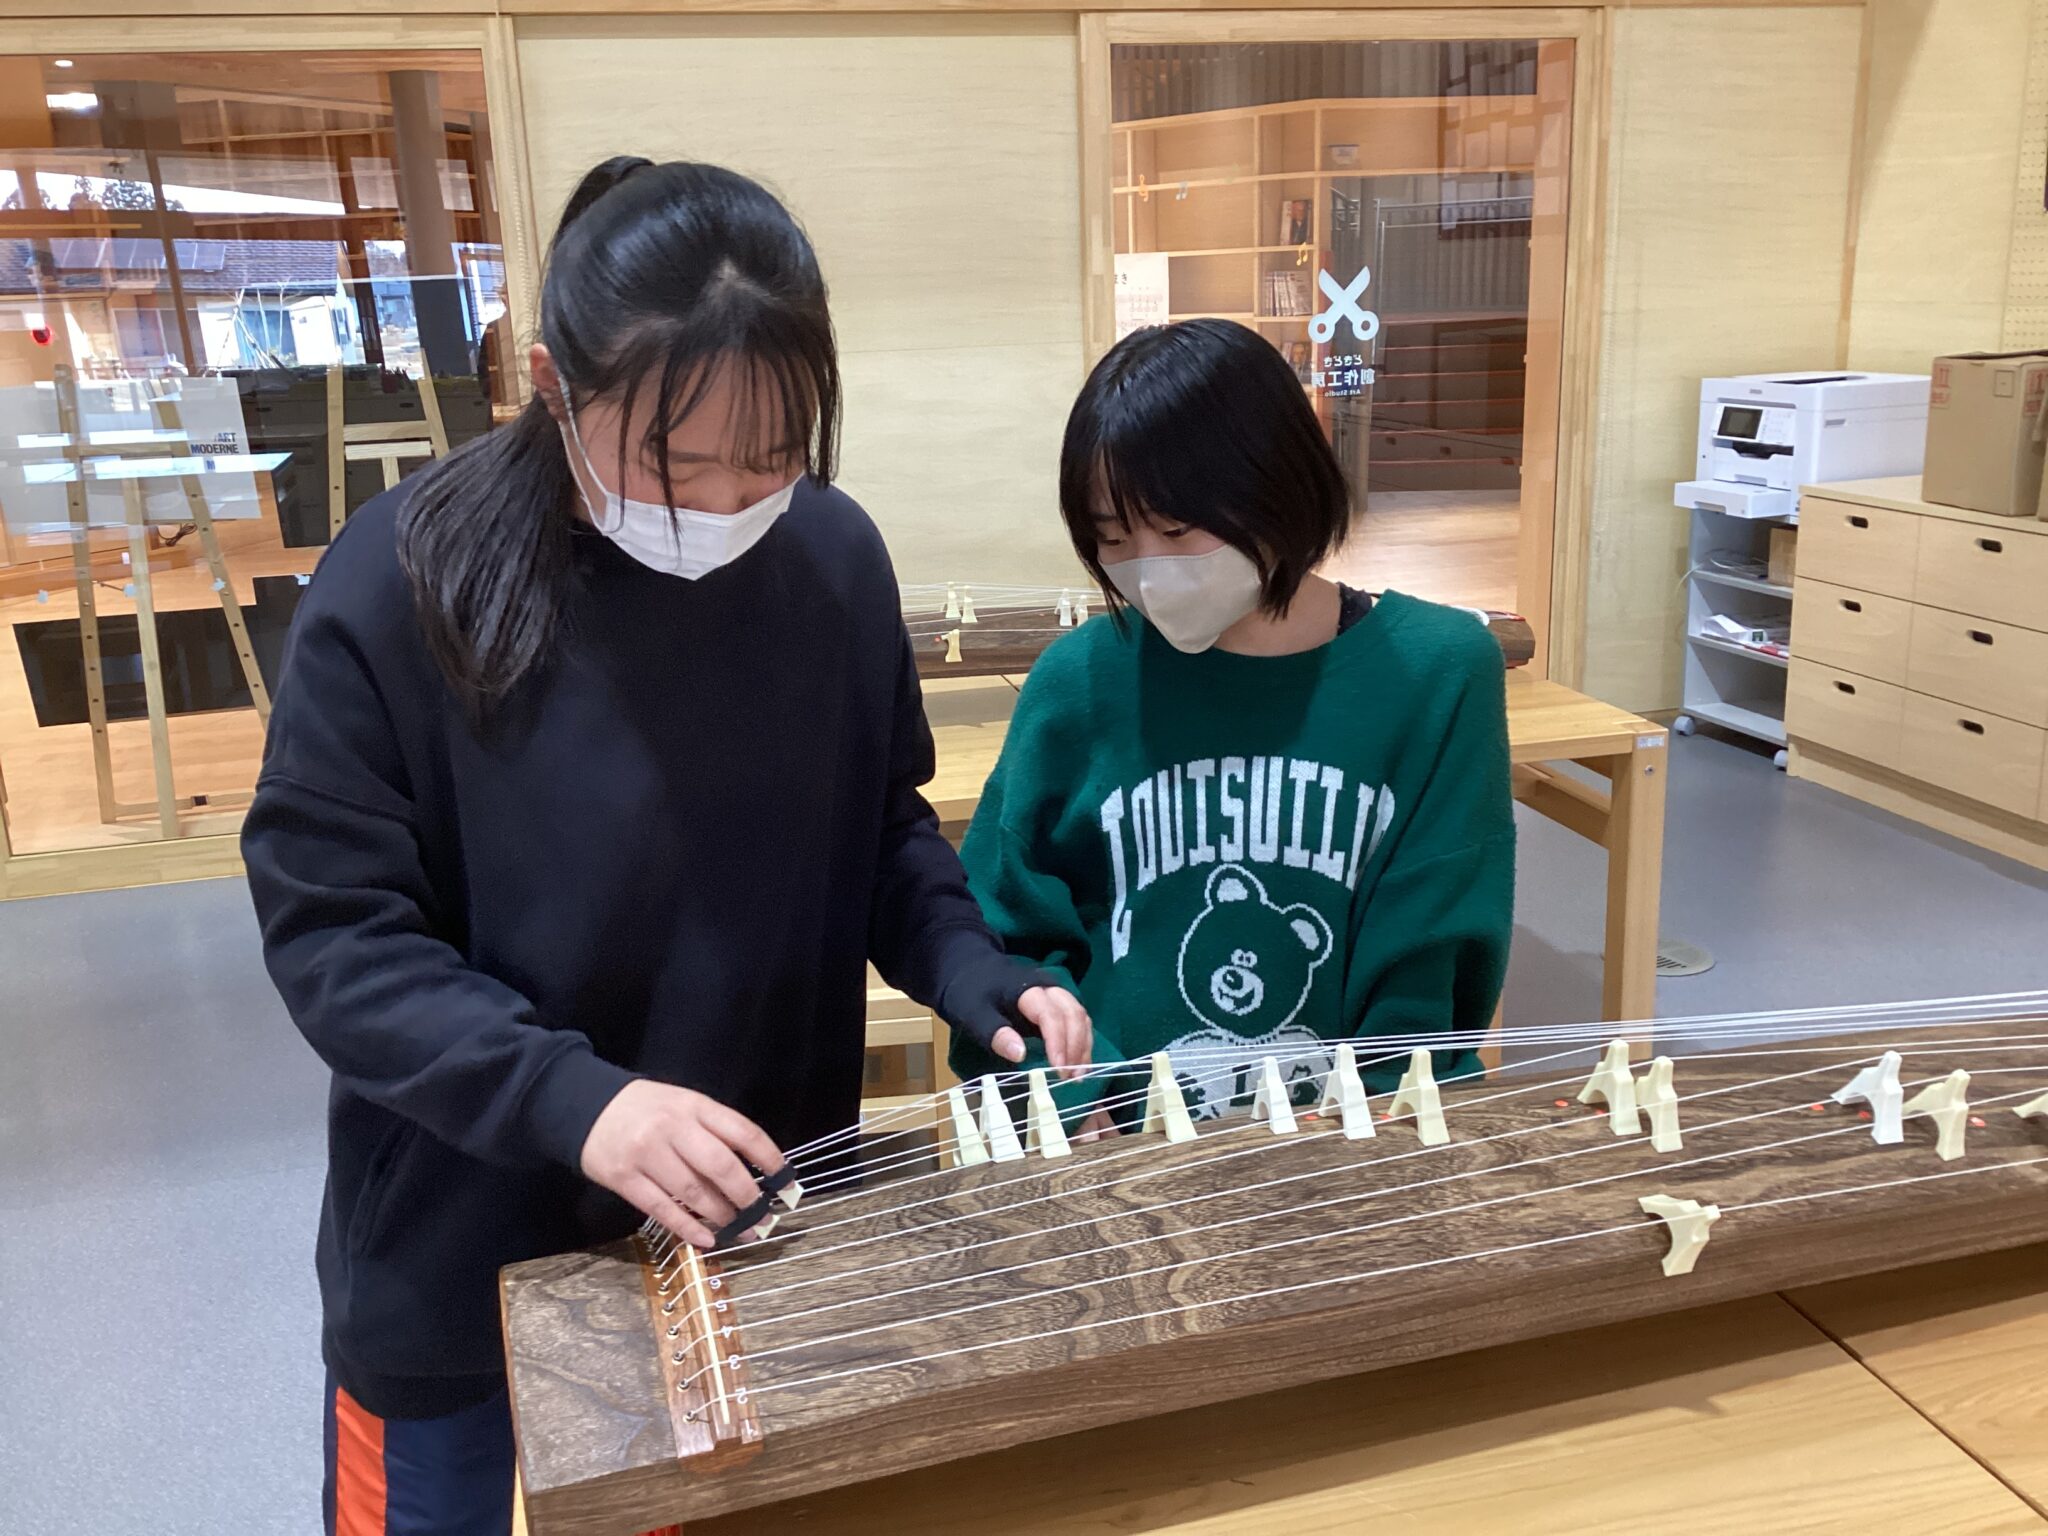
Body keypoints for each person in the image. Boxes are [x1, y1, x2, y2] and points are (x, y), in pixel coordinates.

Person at [244, 156, 1090, 1536]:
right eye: (673, 460)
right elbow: (337, 938)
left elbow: (879, 827)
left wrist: (965, 964)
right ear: (550, 385)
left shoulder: (830, 561)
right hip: (460, 1250)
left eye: (771, 454)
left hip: (740, 1228)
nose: (723, 500)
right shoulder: (403, 581)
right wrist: (579, 1102)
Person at [952, 318, 1511, 1134]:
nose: (1149, 569)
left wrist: (1383, 1113)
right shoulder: (1080, 679)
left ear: (1274, 482)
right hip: (1127, 1149)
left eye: (1178, 530)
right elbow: (1004, 933)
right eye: (1113, 538)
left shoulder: (1437, 670)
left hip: (1354, 1145)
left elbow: (1439, 944)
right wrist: (1064, 1097)